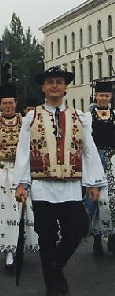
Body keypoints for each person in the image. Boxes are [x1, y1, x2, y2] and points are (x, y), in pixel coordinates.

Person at [13, 67, 107, 296]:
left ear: (65, 87)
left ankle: (54, 270)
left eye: (59, 82)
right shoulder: (31, 116)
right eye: (50, 82)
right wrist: (21, 183)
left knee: (77, 229)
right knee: (46, 236)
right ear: (43, 87)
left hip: (71, 187)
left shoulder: (79, 117)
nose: (54, 85)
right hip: (42, 186)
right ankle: (52, 287)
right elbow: (23, 152)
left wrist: (94, 182)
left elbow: (88, 150)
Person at [0, 84, 38, 270]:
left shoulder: (26, 123)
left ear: (16, 103)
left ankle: (21, 245)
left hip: (23, 174)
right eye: (4, 103)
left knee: (25, 211)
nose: (8, 107)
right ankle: (8, 252)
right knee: (4, 212)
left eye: (10, 103)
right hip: (2, 173)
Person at [87, 80, 115, 256]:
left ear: (110, 96)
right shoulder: (88, 117)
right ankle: (97, 238)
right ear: (95, 96)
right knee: (97, 201)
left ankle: (112, 238)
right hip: (96, 161)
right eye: (101, 95)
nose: (103, 98)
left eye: (106, 95)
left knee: (112, 200)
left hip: (113, 161)